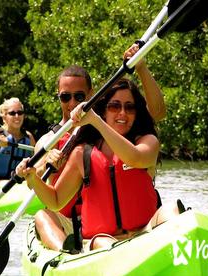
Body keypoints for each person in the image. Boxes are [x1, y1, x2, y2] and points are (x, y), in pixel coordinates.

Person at [30, 44, 167, 250]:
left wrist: (141, 67)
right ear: (58, 97)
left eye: (79, 96)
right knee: (42, 215)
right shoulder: (54, 142)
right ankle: (66, 255)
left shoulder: (130, 136)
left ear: (91, 96)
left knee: (173, 209)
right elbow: (48, 190)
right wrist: (37, 171)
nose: (73, 102)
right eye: (66, 97)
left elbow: (156, 114)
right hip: (87, 228)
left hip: (139, 228)